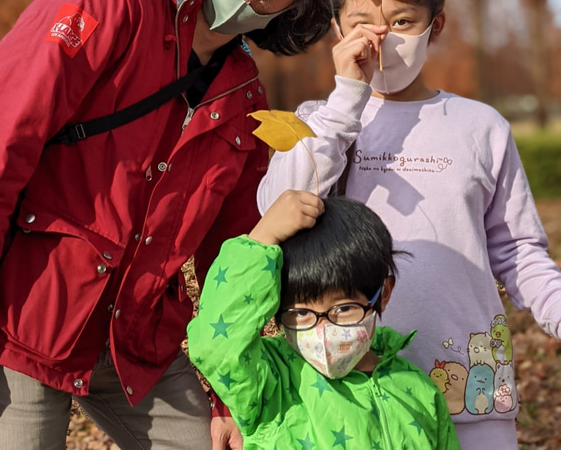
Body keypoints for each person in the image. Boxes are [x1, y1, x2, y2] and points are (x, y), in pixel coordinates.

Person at [0, 0, 348, 450]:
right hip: (26, 319)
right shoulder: (109, 2)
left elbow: (236, 249)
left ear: (300, 0)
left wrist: (228, 395)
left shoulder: (244, 94)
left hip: (137, 336)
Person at [256, 0, 561, 449]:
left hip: (469, 384)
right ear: (336, 29)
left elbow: (518, 251)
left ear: (434, 25)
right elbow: (276, 210)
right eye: (362, 24)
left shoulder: (480, 126)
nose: (381, 39)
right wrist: (347, 99)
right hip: (355, 392)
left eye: (401, 23)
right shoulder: (320, 122)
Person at [188, 190, 461, 449]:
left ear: (383, 294)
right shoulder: (271, 383)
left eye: (343, 309)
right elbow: (216, 344)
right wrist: (262, 237)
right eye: (301, 313)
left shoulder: (418, 390)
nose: (323, 331)